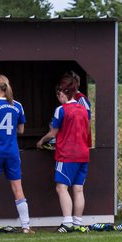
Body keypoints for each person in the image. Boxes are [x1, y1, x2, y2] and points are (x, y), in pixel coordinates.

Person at [0, 74, 32, 234]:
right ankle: (26, 226)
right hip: (11, 151)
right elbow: (21, 130)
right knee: (18, 187)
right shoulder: (18, 105)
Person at [40, 78, 92, 232]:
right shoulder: (83, 109)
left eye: (59, 93)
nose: (58, 96)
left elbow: (53, 132)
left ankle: (67, 222)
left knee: (61, 187)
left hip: (67, 154)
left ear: (63, 94)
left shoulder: (61, 109)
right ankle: (77, 223)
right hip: (83, 153)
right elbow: (87, 130)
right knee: (78, 189)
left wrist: (41, 141)